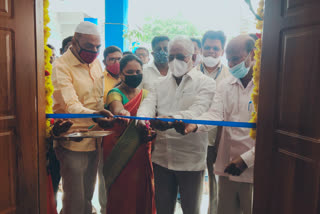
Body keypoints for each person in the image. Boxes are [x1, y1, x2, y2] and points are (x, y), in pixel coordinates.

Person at [137, 36, 216, 214]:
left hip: (191, 160)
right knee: (163, 209)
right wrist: (142, 120)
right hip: (162, 158)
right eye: (171, 57)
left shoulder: (207, 83)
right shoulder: (159, 83)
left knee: (191, 210)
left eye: (180, 57)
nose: (174, 62)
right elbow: (148, 104)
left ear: (193, 58)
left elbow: (199, 110)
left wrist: (172, 119)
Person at [183, 35, 256, 214]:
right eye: (229, 60)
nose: (231, 65)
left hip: (255, 167)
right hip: (228, 164)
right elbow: (215, 114)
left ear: (252, 54)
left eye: (236, 59)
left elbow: (272, 132)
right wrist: (194, 126)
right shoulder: (225, 84)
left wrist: (247, 160)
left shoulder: (268, 84)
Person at [52, 21, 114, 214]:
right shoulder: (61, 66)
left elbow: (96, 100)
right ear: (74, 42)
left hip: (94, 138)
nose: (94, 51)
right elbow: (71, 106)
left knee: (88, 195)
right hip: (72, 140)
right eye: (89, 47)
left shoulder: (95, 63)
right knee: (74, 198)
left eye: (98, 47)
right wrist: (96, 115)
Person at [102, 54, 156, 214]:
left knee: (141, 189)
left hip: (141, 148)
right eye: (129, 72)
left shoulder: (146, 95)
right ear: (121, 74)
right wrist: (122, 112)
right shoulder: (115, 93)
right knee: (120, 189)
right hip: (118, 147)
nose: (134, 75)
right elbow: (117, 108)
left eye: (137, 71)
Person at [192, 30, 230, 214]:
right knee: (193, 184)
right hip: (192, 137)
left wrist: (220, 142)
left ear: (222, 52)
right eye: (207, 47)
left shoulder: (230, 76)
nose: (211, 52)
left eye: (216, 49)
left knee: (216, 184)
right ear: (201, 49)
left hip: (217, 139)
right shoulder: (190, 74)